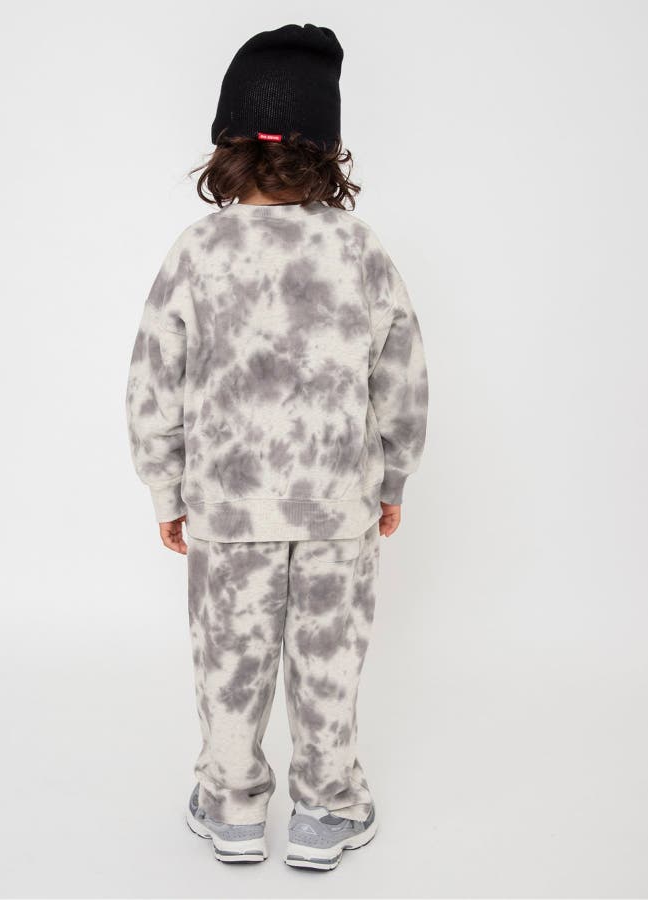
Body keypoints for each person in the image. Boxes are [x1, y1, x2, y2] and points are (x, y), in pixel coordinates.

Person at [126, 23, 428, 871]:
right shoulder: (359, 249)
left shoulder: (197, 250)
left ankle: (230, 806)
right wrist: (393, 476)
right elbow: (401, 375)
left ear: (228, 144)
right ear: (327, 150)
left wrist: (166, 487)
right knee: (328, 662)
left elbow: (152, 378)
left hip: (228, 504)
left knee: (230, 660)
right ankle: (327, 810)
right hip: (337, 505)